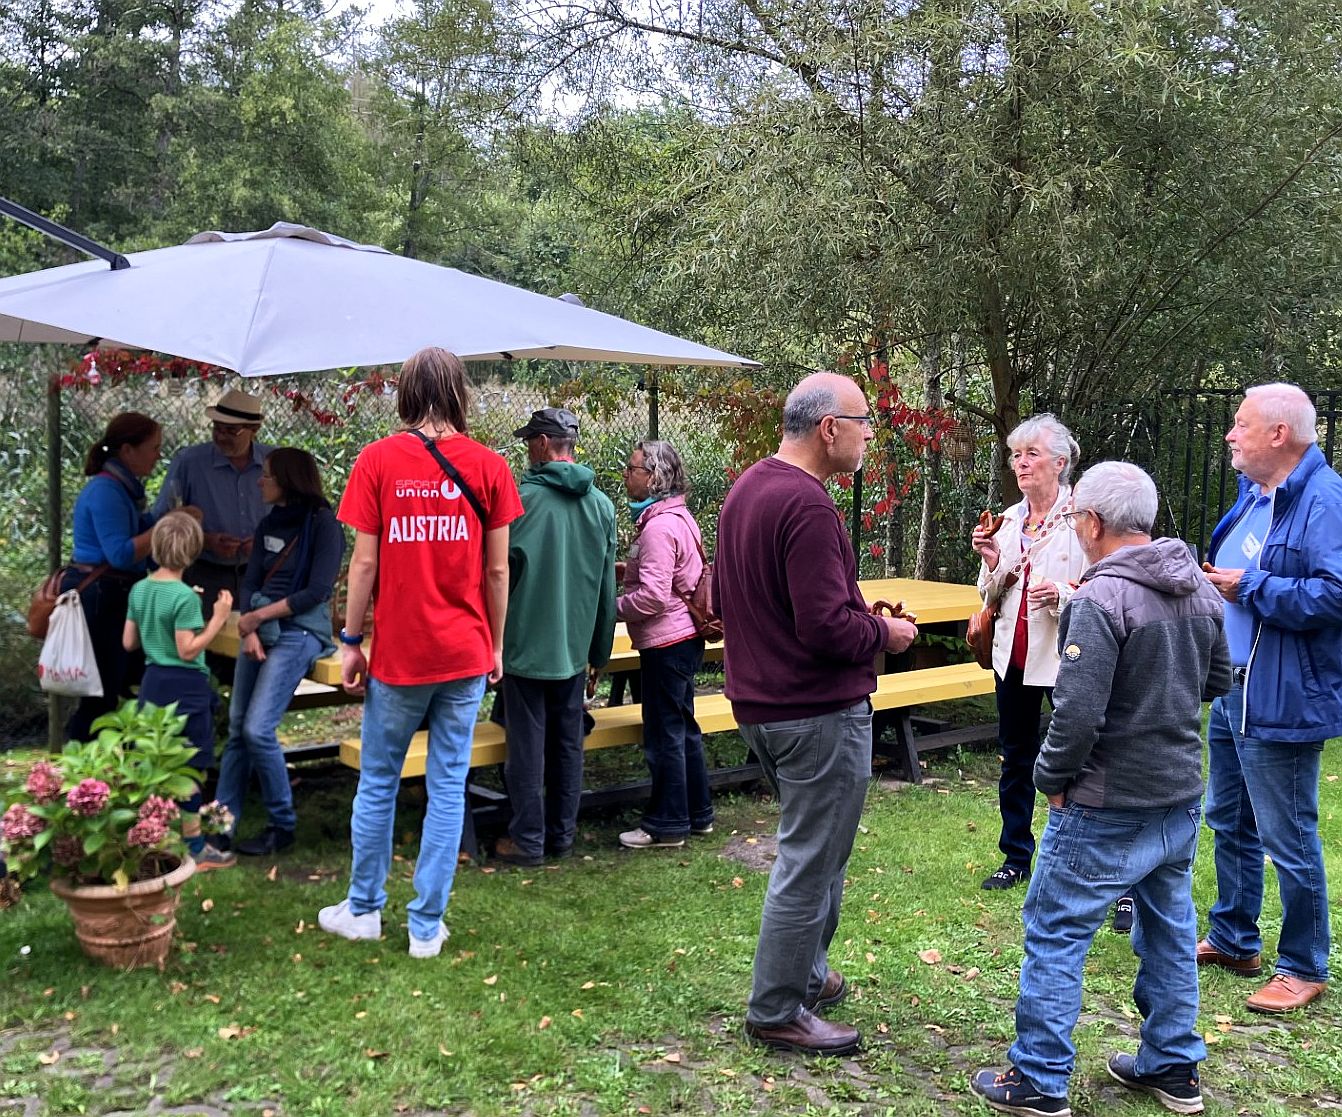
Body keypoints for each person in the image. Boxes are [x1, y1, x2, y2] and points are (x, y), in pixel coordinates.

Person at [970, 462, 1230, 1117]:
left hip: (1105, 800)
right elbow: (1217, 680)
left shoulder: (1099, 598)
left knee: (1056, 930)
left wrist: (1051, 780)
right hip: (1177, 795)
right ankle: (1172, 1064)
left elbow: (1078, 713)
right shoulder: (1198, 588)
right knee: (1169, 930)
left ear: (1091, 522)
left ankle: (1039, 1077)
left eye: (1074, 518)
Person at [715, 371, 918, 1056]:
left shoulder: (747, 488)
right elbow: (826, 627)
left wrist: (859, 615)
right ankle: (777, 1008)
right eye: (864, 423)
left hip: (763, 706)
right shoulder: (807, 505)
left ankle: (804, 973)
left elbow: (733, 600)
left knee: (820, 848)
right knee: (809, 860)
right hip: (814, 712)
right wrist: (886, 633)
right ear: (830, 428)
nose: (869, 437)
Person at [317, 347, 522, 959]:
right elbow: (498, 571)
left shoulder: (377, 461)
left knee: (379, 780)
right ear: (460, 393)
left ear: (406, 393)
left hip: (400, 656)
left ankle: (363, 909)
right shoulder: (490, 466)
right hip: (464, 651)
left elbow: (363, 563)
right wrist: (496, 644)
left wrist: (351, 641)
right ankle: (426, 927)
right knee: (448, 785)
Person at [1198, 382, 1341, 1014]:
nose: (1230, 434)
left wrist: (1251, 587)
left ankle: (1304, 965)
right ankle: (1234, 937)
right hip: (1233, 687)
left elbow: (1336, 594)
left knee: (1288, 833)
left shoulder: (1324, 499)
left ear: (1279, 434)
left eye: (1240, 423)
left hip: (1283, 692)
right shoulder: (1255, 495)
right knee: (1229, 818)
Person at [493, 407, 617, 867]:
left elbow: (496, 574)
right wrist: (598, 653)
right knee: (568, 745)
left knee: (525, 749)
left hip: (523, 647)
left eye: (530, 441)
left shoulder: (518, 502)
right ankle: (562, 836)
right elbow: (606, 588)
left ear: (543, 444)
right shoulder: (601, 506)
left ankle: (527, 840)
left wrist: (492, 642)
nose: (527, 449)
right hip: (573, 650)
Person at [970, 414, 1087, 891]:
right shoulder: (1009, 518)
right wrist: (992, 561)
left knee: (1082, 757)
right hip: (1011, 657)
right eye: (1016, 455)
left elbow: (1108, 585)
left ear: (1059, 462)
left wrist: (1061, 593)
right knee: (1016, 757)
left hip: (1066, 657)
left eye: (1031, 454)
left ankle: (1088, 861)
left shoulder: (1084, 517)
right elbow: (988, 593)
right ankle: (1016, 856)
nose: (1020, 463)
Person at [213, 448, 345, 863]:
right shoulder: (269, 522)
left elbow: (316, 592)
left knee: (257, 729)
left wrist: (257, 618)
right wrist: (251, 628)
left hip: (299, 633)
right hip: (259, 630)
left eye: (267, 475)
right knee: (239, 729)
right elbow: (250, 580)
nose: (260, 481)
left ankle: (281, 825)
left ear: (288, 479)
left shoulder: (323, 525)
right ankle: (221, 825)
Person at [615, 439, 715, 850]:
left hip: (666, 641)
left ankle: (667, 824)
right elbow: (672, 575)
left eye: (633, 469)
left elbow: (654, 598)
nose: (627, 475)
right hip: (684, 638)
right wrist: (630, 571)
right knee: (683, 727)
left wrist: (611, 608)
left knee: (664, 734)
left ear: (653, 477)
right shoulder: (679, 517)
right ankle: (698, 814)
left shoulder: (657, 527)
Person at [123, 512, 235, 868]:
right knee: (190, 767)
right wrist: (217, 618)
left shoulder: (140, 589)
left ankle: (152, 840)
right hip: (185, 686)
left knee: (153, 761)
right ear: (193, 551)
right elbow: (187, 650)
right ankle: (195, 846)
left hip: (153, 682)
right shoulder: (185, 597)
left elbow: (129, 642)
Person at [64, 412, 165, 742]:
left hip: (116, 594)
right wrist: (166, 527)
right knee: (100, 692)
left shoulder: (124, 489)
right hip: (102, 597)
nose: (158, 455)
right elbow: (120, 553)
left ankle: (109, 758)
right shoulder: (106, 491)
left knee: (123, 682)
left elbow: (138, 535)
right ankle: (80, 760)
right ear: (128, 450)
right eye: (154, 448)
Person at [152, 388, 272, 613]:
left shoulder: (274, 462)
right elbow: (162, 520)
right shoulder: (190, 462)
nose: (221, 436)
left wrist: (265, 542)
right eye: (217, 428)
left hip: (262, 573)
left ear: (254, 429)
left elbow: (294, 517)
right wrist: (204, 541)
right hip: (204, 572)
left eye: (231, 430)